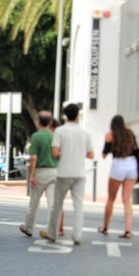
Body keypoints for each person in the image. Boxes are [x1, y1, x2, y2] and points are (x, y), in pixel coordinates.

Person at [40, 103, 94, 245]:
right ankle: (77, 236)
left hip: (63, 172)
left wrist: (66, 153)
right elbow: (91, 154)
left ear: (65, 115)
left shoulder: (59, 131)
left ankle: (52, 233)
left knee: (57, 205)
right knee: (78, 205)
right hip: (80, 173)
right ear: (77, 115)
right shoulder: (85, 132)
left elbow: (55, 152)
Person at [97, 115, 138, 239]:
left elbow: (104, 154)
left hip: (118, 164)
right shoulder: (130, 133)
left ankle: (105, 227)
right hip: (132, 164)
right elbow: (135, 149)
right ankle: (128, 230)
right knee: (127, 200)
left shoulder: (110, 135)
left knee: (111, 198)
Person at [19, 111, 59, 237]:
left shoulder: (36, 136)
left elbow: (33, 158)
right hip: (54, 171)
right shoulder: (55, 136)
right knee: (52, 203)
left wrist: (31, 176)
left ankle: (29, 227)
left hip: (41, 172)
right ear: (50, 122)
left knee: (34, 202)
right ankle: (53, 230)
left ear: (38, 122)